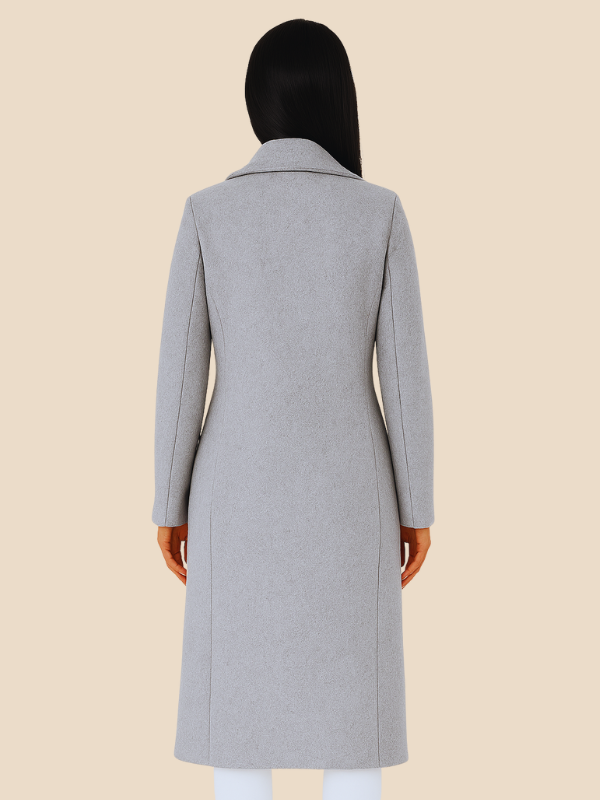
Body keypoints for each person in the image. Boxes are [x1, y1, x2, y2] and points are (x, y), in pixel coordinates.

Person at [153, 18, 434, 800]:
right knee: (353, 725)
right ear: (339, 99)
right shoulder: (378, 213)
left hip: (234, 494)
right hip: (351, 497)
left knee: (239, 720)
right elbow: (406, 379)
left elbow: (180, 375)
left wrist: (168, 504)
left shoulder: (209, 213)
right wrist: (417, 509)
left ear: (257, 105)